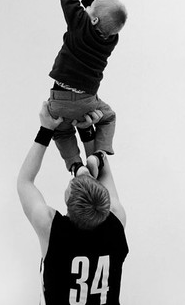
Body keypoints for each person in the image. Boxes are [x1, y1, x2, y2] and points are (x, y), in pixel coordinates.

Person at [17, 102, 129, 305]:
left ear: (67, 199)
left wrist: (46, 130)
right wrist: (87, 131)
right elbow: (100, 165)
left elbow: (24, 181)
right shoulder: (116, 218)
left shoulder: (51, 227)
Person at [48, 0, 128, 176]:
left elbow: (68, 0)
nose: (86, 6)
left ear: (92, 18)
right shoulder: (111, 40)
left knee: (61, 131)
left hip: (60, 97)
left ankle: (74, 164)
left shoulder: (78, 24)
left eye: (89, 8)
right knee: (108, 118)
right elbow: (98, 13)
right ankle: (98, 155)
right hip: (87, 102)